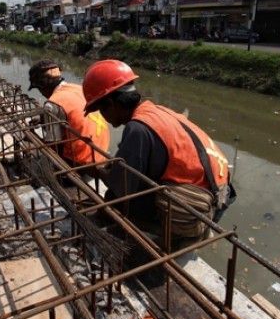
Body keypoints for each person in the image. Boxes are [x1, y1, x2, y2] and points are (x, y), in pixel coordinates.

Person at [82, 59, 235, 245]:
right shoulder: (155, 111)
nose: (103, 117)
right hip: (220, 195)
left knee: (121, 198)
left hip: (196, 210)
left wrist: (97, 170)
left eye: (100, 110)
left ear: (111, 104)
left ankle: (171, 237)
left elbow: (122, 188)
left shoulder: (137, 129)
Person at [28, 60, 110, 165]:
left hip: (80, 162)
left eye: (39, 89)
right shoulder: (79, 88)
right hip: (101, 153)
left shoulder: (53, 102)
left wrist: (34, 139)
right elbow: (76, 116)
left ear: (42, 86)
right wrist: (43, 119)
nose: (41, 93)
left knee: (40, 164)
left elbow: (53, 148)